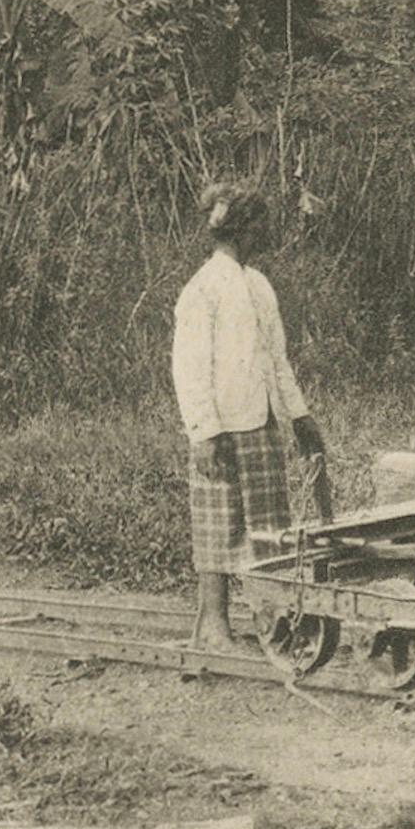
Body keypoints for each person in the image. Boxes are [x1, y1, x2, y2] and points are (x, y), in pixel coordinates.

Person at [170, 183, 321, 653]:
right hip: (221, 429)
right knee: (219, 524)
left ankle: (271, 621)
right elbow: (189, 367)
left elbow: (277, 360)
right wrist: (204, 434)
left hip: (261, 423)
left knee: (267, 526)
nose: (267, 232)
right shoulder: (202, 289)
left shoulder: (258, 285)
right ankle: (214, 626)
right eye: (261, 224)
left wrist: (299, 416)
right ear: (242, 227)